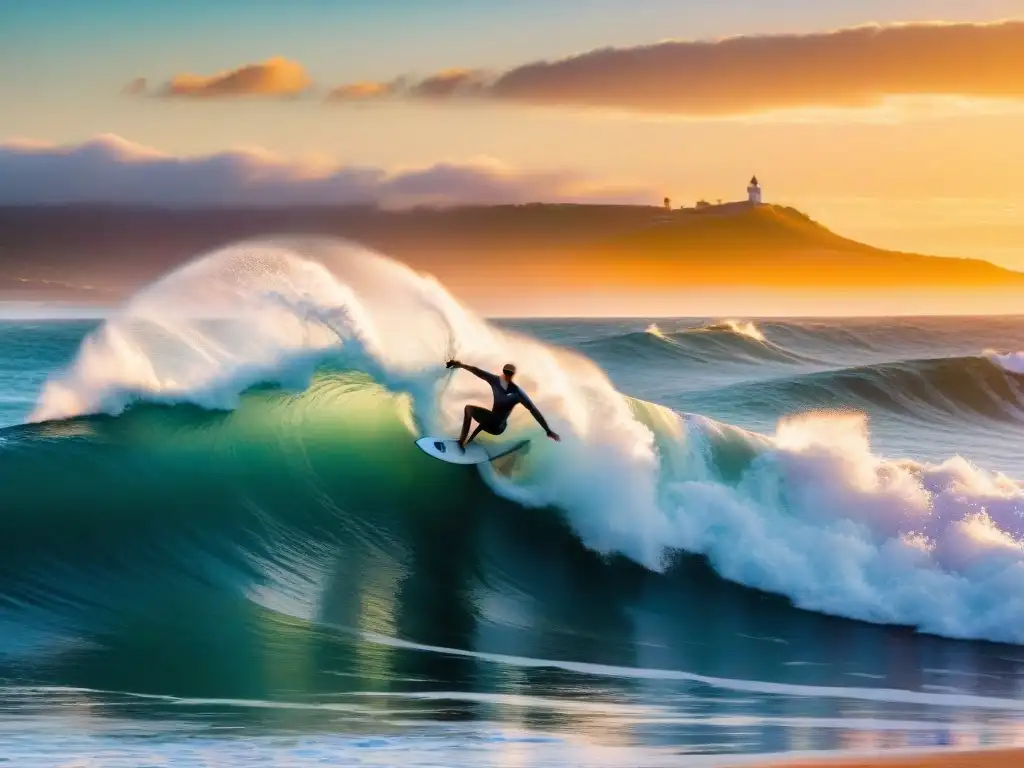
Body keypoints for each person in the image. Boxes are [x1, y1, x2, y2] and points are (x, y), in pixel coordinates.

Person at [445, 359, 561, 451]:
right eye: (507, 373)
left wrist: (547, 430)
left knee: (469, 409)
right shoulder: (501, 383)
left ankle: (461, 442)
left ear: (511, 374)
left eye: (508, 374)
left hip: (497, 425)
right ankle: (467, 442)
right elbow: (477, 371)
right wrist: (460, 365)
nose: (507, 375)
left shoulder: (516, 392)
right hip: (498, 426)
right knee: (481, 423)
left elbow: (534, 410)